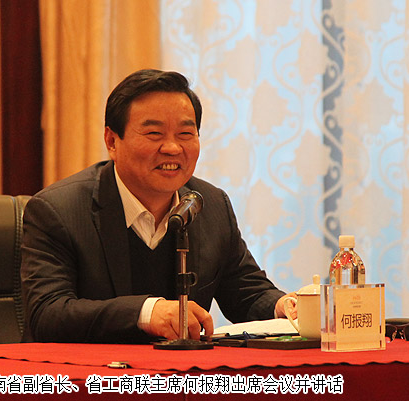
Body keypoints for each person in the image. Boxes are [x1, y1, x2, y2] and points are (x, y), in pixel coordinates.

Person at [21, 69, 295, 344]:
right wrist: (147, 313)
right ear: (112, 141)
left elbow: (247, 293)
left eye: (185, 133)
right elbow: (47, 314)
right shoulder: (58, 210)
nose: (173, 148)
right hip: (93, 369)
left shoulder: (210, 204)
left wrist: (285, 306)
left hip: (184, 371)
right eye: (154, 133)